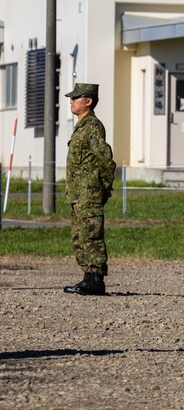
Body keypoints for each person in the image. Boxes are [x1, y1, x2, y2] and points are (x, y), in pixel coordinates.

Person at [62, 83, 116, 296]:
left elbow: (105, 157)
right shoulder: (81, 127)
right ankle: (88, 277)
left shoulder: (92, 126)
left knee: (91, 235)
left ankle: (95, 279)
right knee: (80, 236)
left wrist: (105, 185)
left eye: (76, 98)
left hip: (89, 192)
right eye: (72, 98)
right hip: (78, 194)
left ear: (88, 101)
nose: (71, 101)